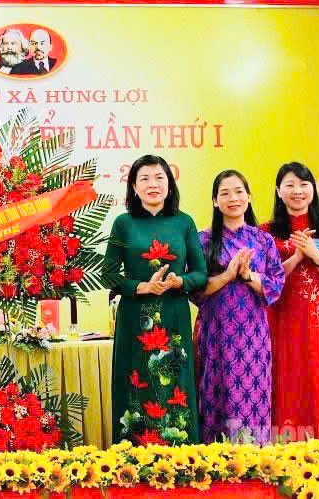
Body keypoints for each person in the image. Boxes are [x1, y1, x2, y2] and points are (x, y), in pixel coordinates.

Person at [103, 154, 207, 446]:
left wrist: (179, 282)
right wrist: (142, 287)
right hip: (134, 318)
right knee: (135, 384)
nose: (153, 184)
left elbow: (200, 274)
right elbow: (108, 275)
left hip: (174, 316)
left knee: (175, 384)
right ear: (134, 187)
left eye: (159, 177)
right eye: (145, 179)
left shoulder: (184, 222)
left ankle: (180, 455)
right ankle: (133, 453)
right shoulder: (123, 223)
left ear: (170, 184)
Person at [262, 162, 319, 442]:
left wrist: (317, 256)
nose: (297, 191)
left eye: (303, 185)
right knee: (286, 382)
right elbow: (263, 282)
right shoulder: (266, 232)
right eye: (289, 185)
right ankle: (284, 455)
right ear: (278, 191)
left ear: (313, 189)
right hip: (281, 320)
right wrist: (297, 256)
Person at [194, 170, 284, 444]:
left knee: (253, 401)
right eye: (225, 193)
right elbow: (195, 290)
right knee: (215, 399)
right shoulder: (202, 240)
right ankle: (215, 464)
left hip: (253, 338)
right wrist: (227, 275)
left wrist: (247, 275)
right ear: (214, 201)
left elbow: (276, 286)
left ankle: (254, 463)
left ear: (249, 197)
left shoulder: (264, 240)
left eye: (238, 192)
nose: (233, 198)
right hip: (216, 334)